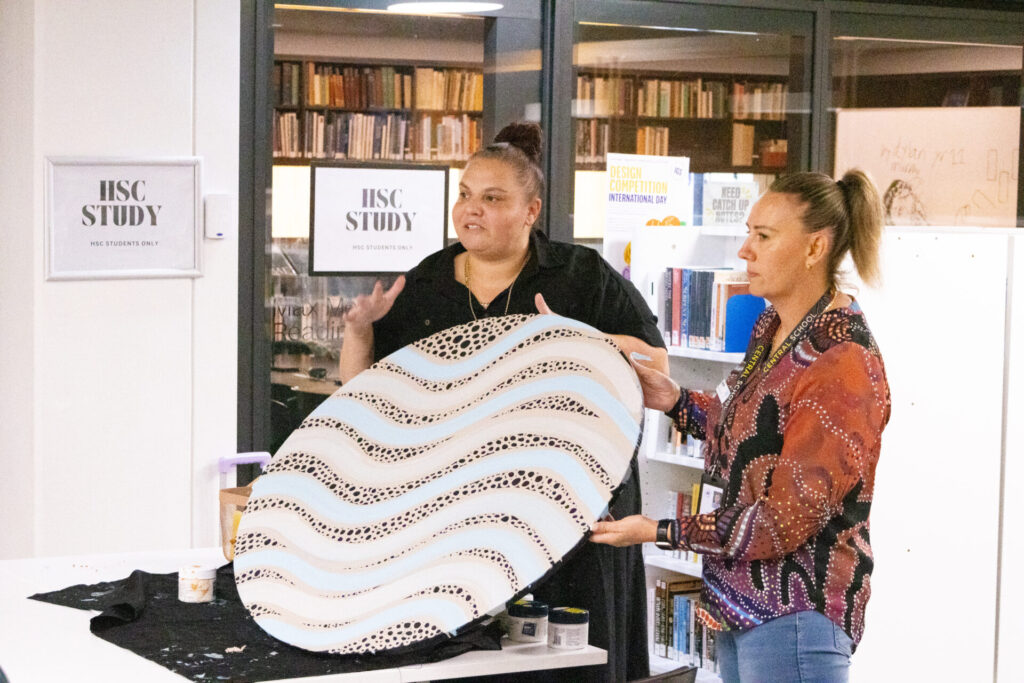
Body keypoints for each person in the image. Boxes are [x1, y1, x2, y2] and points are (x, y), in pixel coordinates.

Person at [340, 121, 666, 682]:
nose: (472, 210)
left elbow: (657, 368)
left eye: (492, 199)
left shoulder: (580, 275)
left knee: (571, 659)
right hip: (457, 512)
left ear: (531, 210)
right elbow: (364, 399)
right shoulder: (428, 281)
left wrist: (580, 341)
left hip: (573, 503)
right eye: (465, 195)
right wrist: (359, 332)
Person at [591, 170, 892, 682]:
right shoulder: (773, 327)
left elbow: (781, 521)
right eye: (749, 232)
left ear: (814, 248)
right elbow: (752, 433)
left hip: (796, 615)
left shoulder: (842, 360)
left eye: (764, 236)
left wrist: (658, 530)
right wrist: (675, 401)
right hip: (741, 605)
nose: (745, 251)